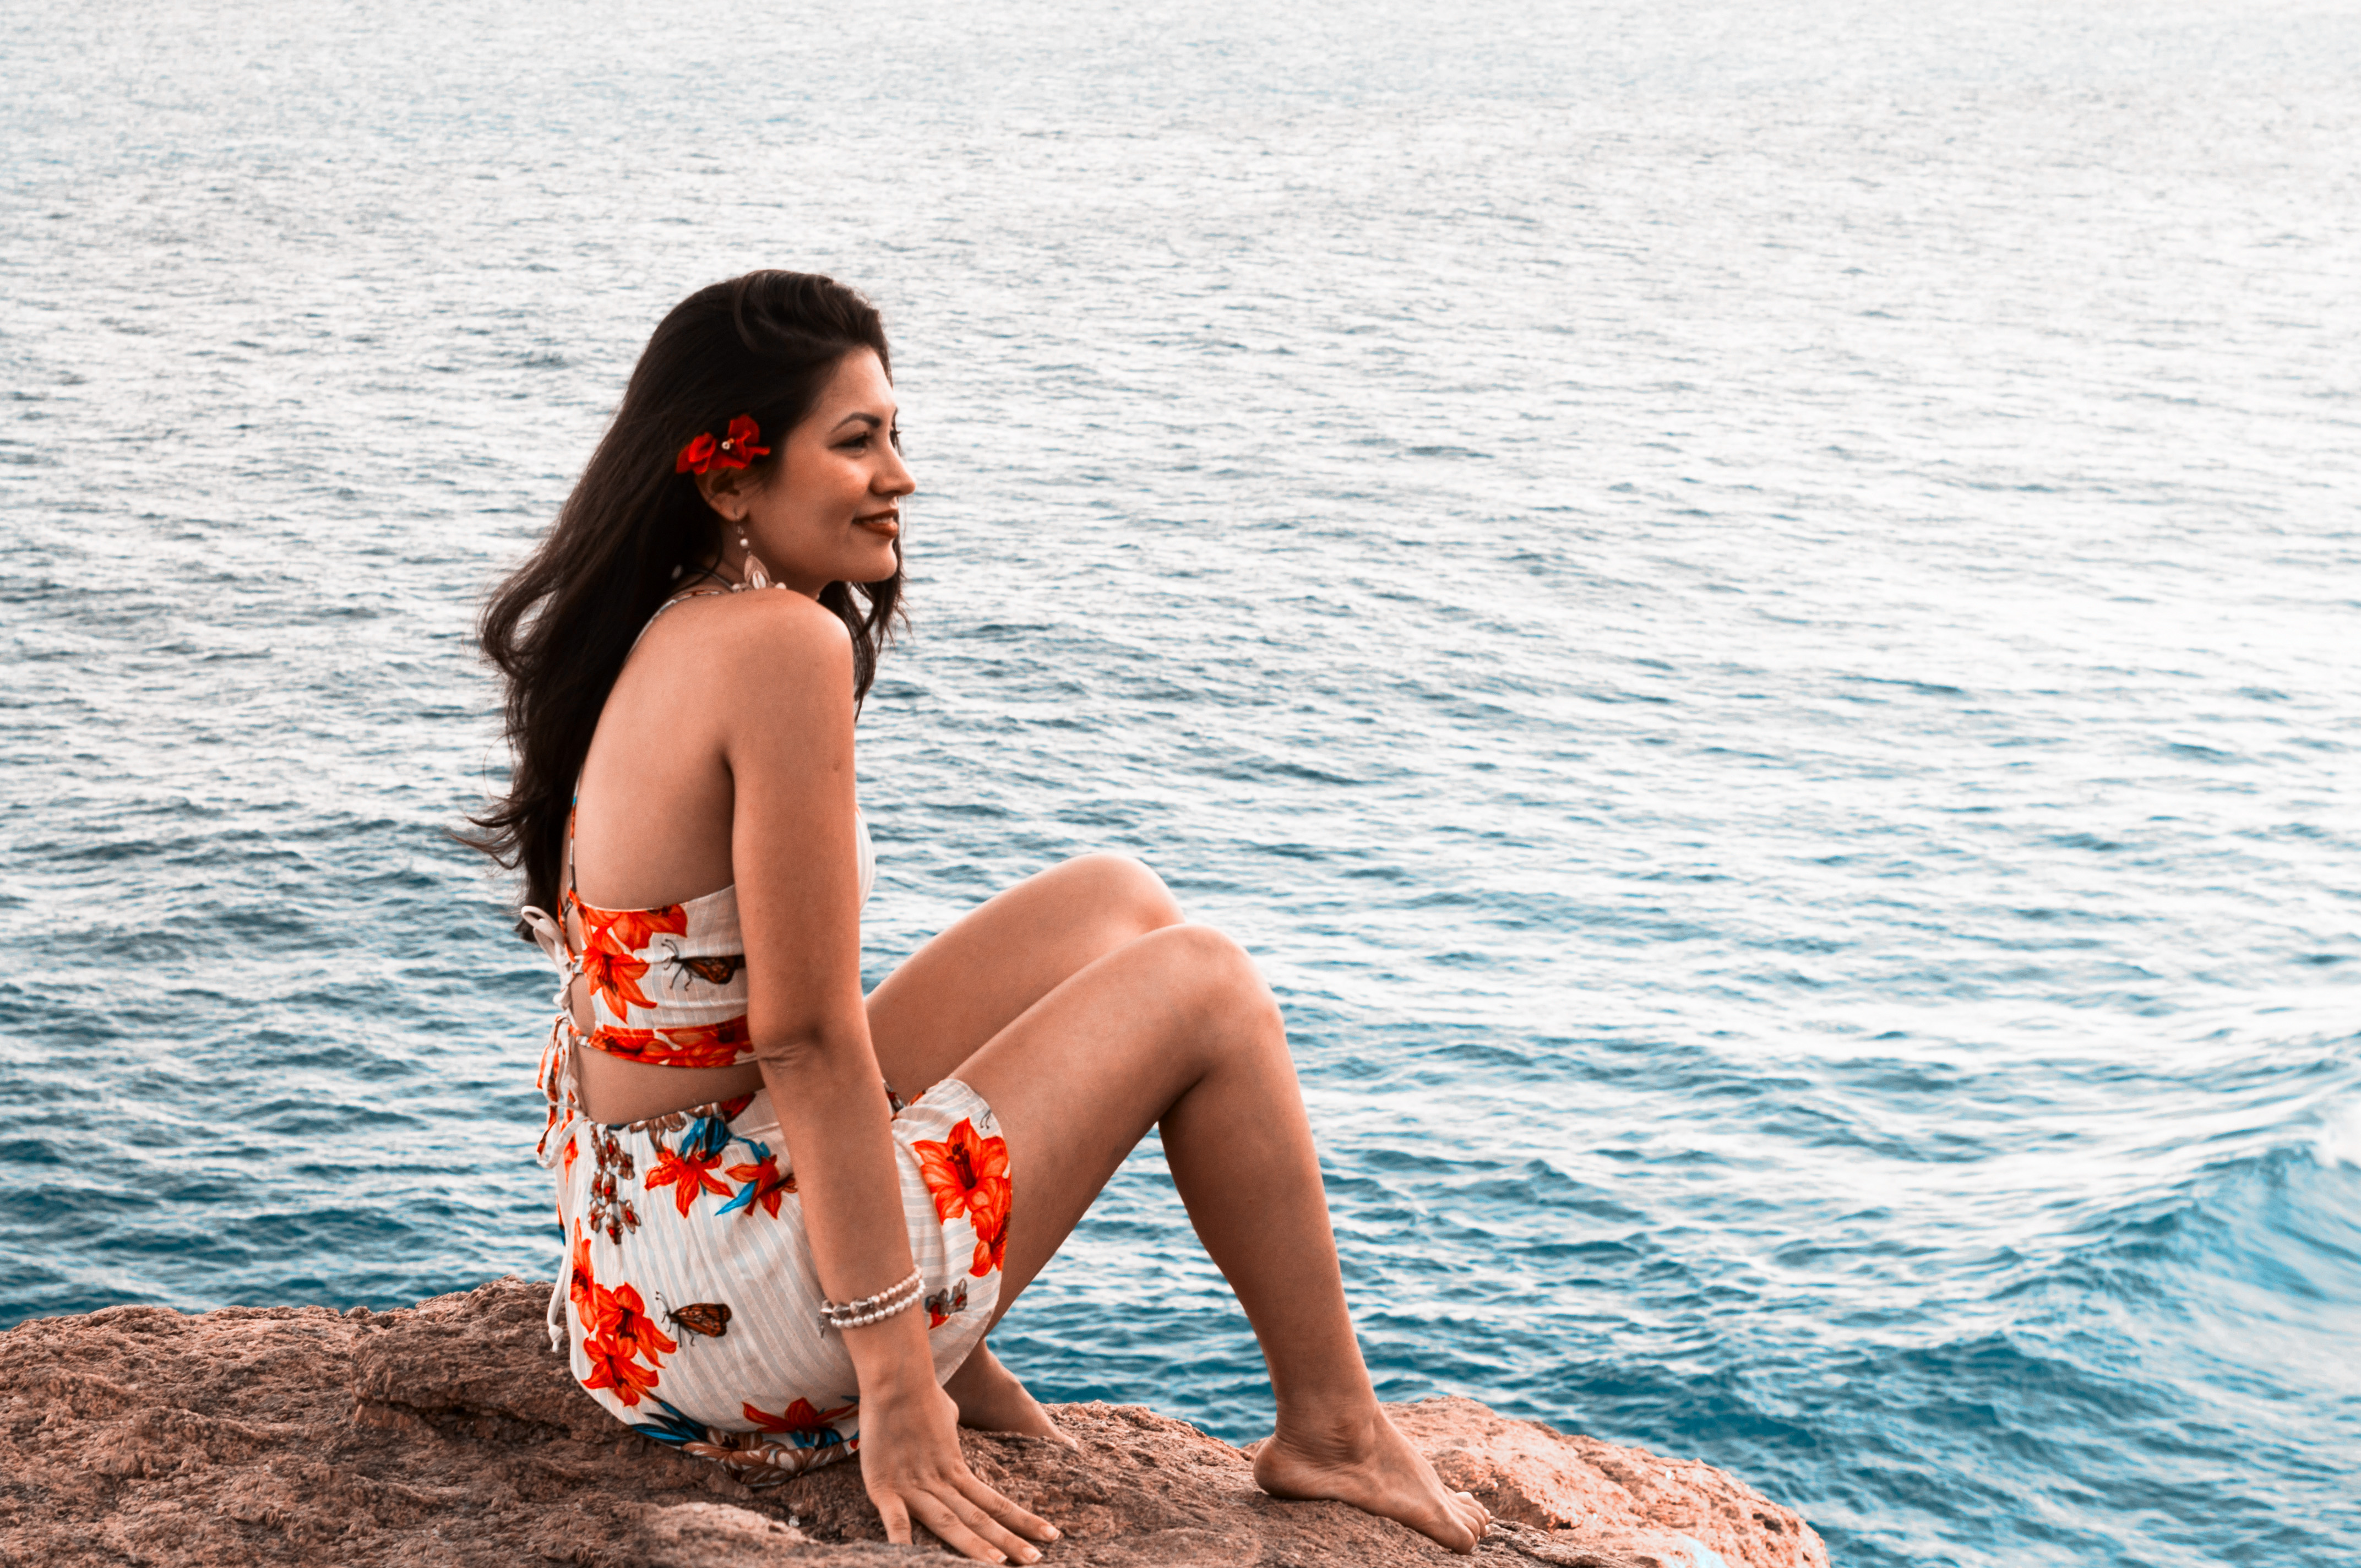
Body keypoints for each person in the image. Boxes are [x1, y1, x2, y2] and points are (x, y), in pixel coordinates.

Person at [465, 270, 1488, 1563]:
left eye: (894, 430)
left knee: (1115, 903)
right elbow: (803, 1040)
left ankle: (969, 1354)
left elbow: (721, 1032)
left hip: (633, 1278)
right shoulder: (781, 644)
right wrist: (898, 1387)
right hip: (729, 1312)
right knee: (1209, 985)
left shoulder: (664, 627)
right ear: (728, 480)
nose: (900, 473)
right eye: (856, 441)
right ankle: (1332, 1430)